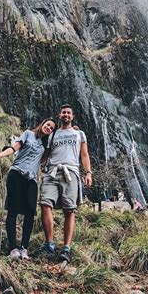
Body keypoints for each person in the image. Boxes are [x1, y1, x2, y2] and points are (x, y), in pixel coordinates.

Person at [0, 118, 57, 260]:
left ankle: (24, 248)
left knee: (30, 213)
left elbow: (53, 154)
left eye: (51, 128)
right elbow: (14, 147)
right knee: (13, 210)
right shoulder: (28, 134)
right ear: (42, 124)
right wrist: (1, 154)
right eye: (47, 125)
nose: (48, 128)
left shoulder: (45, 146)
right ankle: (13, 248)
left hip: (31, 179)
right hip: (16, 174)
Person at [39, 104, 92, 263]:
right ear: (59, 115)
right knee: (44, 203)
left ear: (72, 116)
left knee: (70, 210)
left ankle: (66, 248)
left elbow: (84, 155)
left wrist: (88, 172)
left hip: (71, 173)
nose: (66, 114)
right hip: (52, 172)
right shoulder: (52, 135)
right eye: (63, 112)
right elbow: (45, 155)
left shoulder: (79, 133)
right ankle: (49, 244)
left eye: (69, 112)